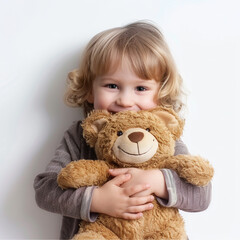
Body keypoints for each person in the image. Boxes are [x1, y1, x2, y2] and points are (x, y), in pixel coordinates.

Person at [34, 21, 212, 239]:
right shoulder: (79, 136)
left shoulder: (163, 137)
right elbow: (45, 190)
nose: (126, 101)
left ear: (161, 93)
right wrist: (97, 199)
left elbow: (201, 193)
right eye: (112, 86)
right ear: (90, 90)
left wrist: (157, 180)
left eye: (141, 88)